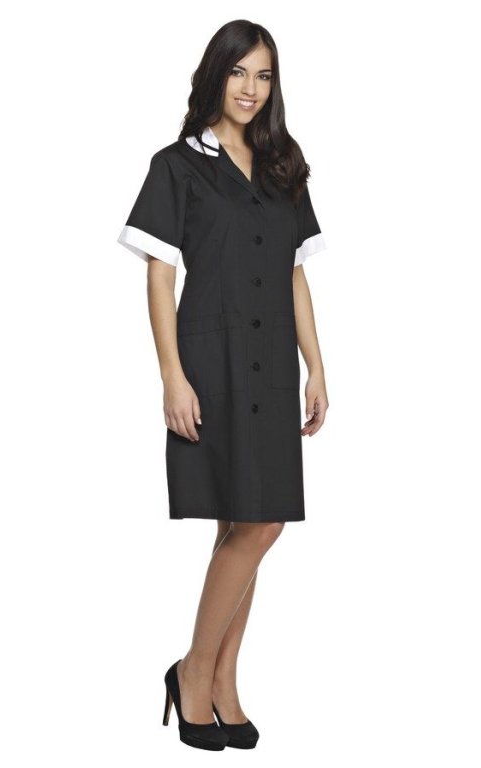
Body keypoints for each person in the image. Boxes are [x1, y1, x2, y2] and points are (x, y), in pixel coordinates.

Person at [117, 19, 330, 751]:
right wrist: (172, 376)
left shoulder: (282, 165)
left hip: (273, 362)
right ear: (216, 74)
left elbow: (294, 274)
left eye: (264, 75)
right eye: (239, 72)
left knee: (254, 522)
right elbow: (159, 277)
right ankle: (194, 672)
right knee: (251, 523)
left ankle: (220, 682)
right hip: (213, 363)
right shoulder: (178, 165)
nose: (250, 88)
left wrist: (317, 365)